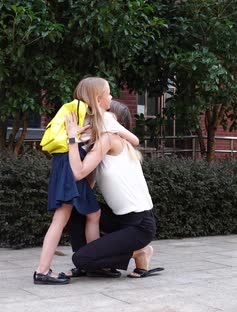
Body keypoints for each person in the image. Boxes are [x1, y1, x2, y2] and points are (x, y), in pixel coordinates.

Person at [33, 78, 138, 285]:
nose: (111, 97)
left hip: (65, 166)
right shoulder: (93, 117)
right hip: (69, 167)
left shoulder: (83, 114)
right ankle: (43, 270)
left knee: (92, 213)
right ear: (98, 98)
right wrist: (116, 130)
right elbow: (134, 140)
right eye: (108, 94)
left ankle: (94, 264)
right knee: (61, 218)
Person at [64, 97, 164, 279]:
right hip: (120, 221)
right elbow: (87, 185)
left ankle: (139, 252)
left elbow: (78, 173)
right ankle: (94, 261)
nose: (88, 121)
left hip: (139, 226)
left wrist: (72, 139)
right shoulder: (98, 147)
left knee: (81, 258)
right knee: (76, 209)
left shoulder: (112, 139)